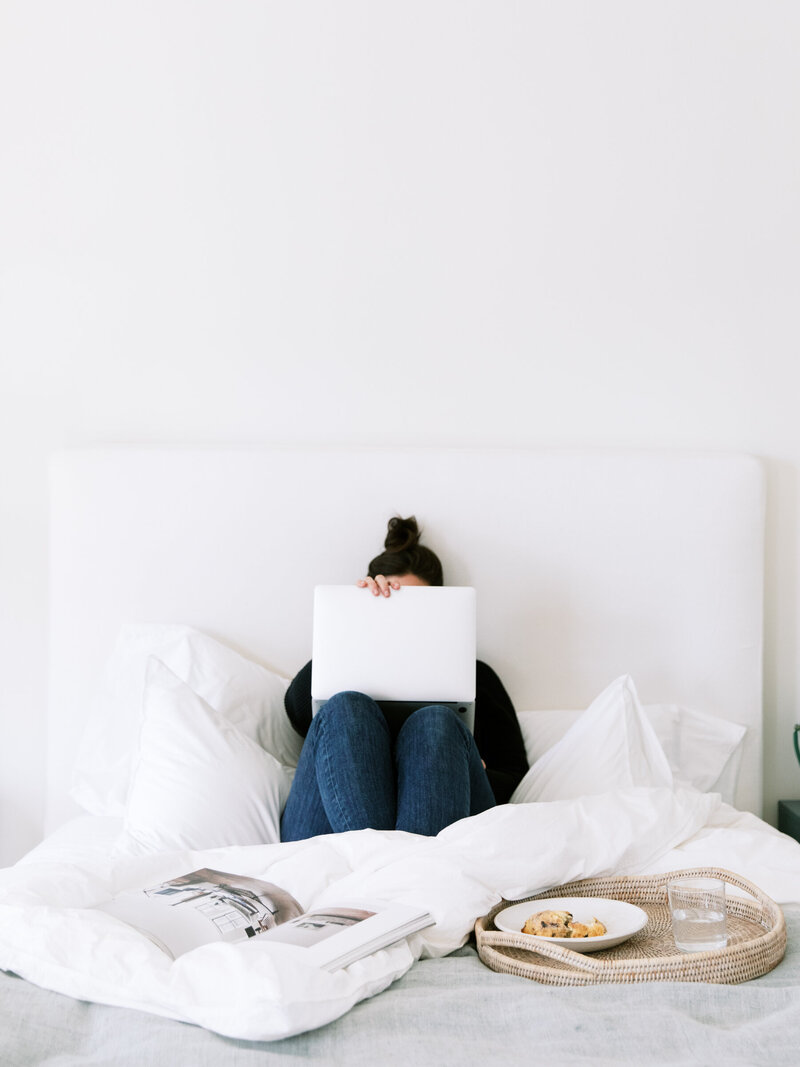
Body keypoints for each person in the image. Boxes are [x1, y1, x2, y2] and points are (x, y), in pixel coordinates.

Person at [279, 516, 529, 841]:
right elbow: (298, 715)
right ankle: (396, 873)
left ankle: (389, 875)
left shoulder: (475, 675)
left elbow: (514, 775)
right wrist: (355, 627)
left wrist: (473, 768)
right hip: (333, 826)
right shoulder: (345, 664)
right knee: (345, 707)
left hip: (441, 813)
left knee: (435, 723)